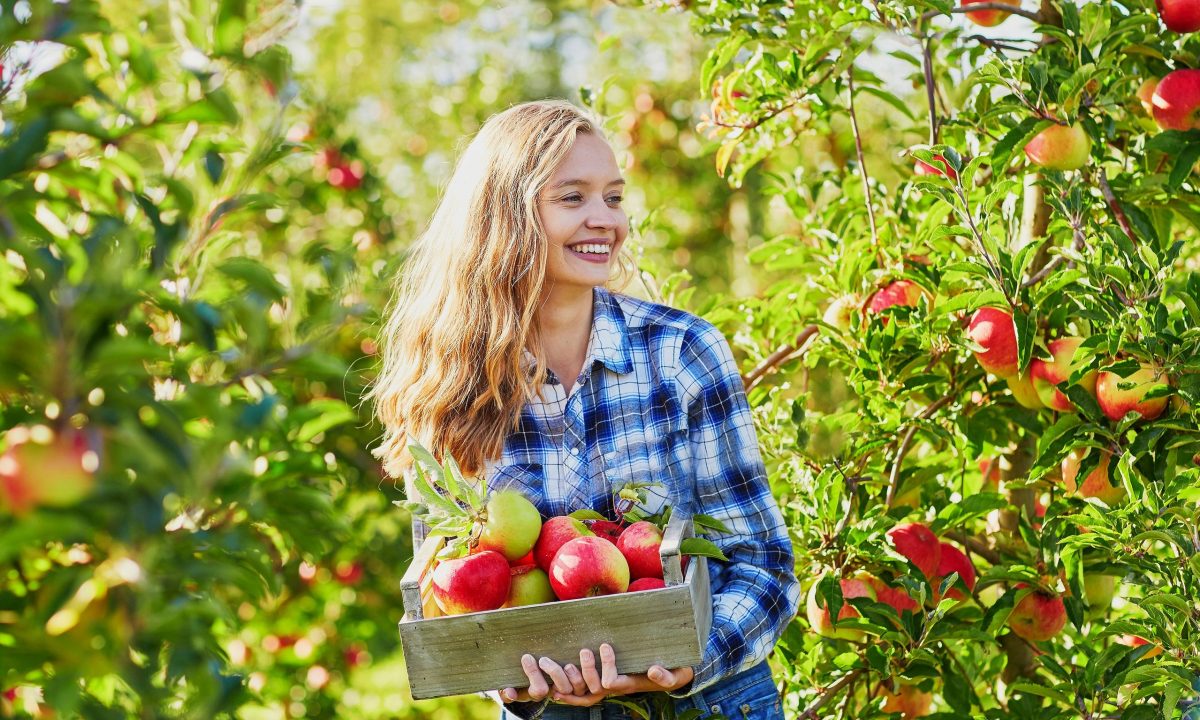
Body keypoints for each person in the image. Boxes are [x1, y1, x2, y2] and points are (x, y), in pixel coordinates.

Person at [370, 99, 800, 720]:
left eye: (614, 198)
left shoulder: (680, 354)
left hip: (709, 704)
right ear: (504, 219)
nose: (606, 220)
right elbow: (452, 598)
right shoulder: (449, 386)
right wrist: (510, 679)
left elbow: (762, 561)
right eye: (572, 198)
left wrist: (688, 659)